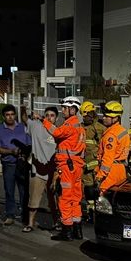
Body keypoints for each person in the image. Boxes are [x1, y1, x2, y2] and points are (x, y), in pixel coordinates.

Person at [43, 96, 86, 241]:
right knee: (75, 198)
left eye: (65, 108)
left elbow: (56, 133)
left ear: (72, 109)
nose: (62, 110)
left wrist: (44, 121)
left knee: (65, 198)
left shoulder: (70, 124)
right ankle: (77, 229)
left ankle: (66, 231)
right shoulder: (79, 125)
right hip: (76, 166)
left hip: (67, 167)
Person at [0, 104, 31, 225]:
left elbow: (29, 144)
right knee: (9, 190)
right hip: (8, 164)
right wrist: (11, 151)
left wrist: (24, 154)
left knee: (24, 191)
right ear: (4, 116)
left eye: (12, 114)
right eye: (7, 115)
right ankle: (10, 214)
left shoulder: (23, 127)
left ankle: (25, 215)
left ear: (15, 115)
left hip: (23, 164)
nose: (10, 117)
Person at [25, 107, 59, 232]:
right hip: (37, 171)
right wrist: (24, 108)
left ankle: (57, 223)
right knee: (33, 200)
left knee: (54, 201)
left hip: (52, 172)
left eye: (52, 115)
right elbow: (24, 119)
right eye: (47, 115)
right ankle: (30, 223)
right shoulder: (36, 126)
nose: (49, 117)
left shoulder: (58, 131)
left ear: (56, 118)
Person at [95, 101, 130, 192]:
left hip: (111, 172)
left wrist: (100, 175)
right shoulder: (121, 131)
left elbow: (108, 158)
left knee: (104, 198)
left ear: (115, 118)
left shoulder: (111, 135)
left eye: (107, 116)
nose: (104, 118)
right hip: (121, 170)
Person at [80, 100, 106, 222]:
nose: (85, 118)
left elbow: (104, 150)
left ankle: (99, 213)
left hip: (96, 165)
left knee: (97, 191)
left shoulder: (100, 128)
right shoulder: (81, 127)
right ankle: (90, 213)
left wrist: (94, 164)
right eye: (84, 116)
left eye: (88, 115)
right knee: (88, 191)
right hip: (84, 165)